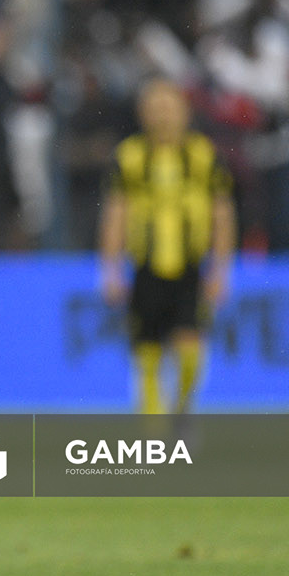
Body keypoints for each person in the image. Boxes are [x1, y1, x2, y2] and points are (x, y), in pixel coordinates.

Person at [99, 78, 235, 420]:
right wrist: (111, 271)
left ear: (185, 113)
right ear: (142, 114)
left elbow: (222, 213)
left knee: (190, 350)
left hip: (190, 268)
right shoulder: (130, 156)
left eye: (169, 108)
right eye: (155, 109)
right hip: (145, 268)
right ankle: (152, 427)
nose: (163, 116)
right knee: (147, 351)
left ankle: (182, 409)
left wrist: (221, 270)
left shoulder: (204, 155)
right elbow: (116, 213)